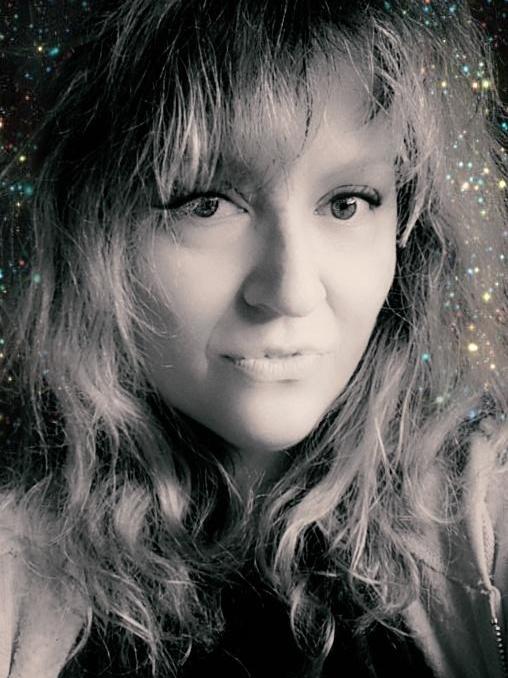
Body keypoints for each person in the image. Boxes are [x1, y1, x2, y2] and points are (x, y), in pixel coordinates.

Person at [0, 0, 506, 676]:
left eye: (347, 203)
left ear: (407, 228)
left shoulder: (485, 508)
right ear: (95, 233)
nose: (291, 291)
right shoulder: (16, 563)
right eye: (206, 204)